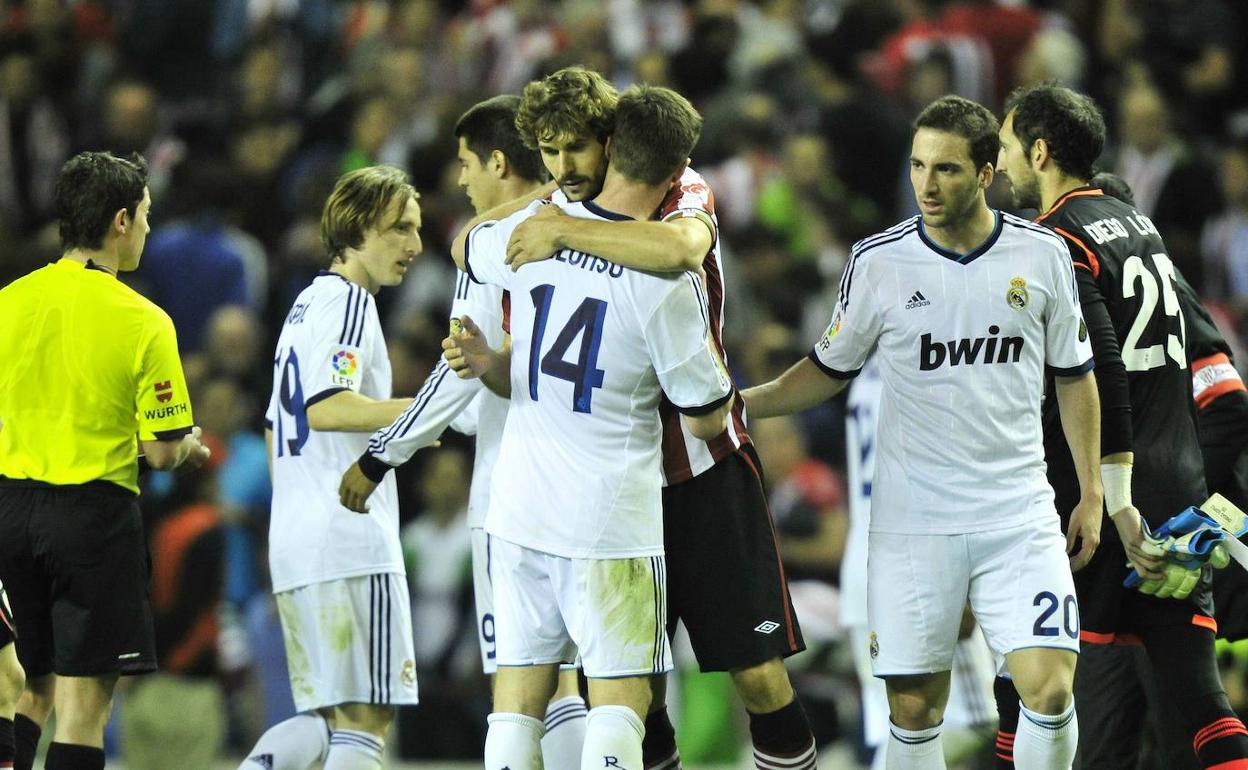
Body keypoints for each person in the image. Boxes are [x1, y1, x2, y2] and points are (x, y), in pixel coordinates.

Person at [453, 64, 819, 770]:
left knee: (756, 673)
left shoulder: (678, 194)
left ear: (614, 140)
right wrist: (546, 216)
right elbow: (466, 245)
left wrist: (563, 232)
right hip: (617, 485)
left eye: (577, 151)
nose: (566, 169)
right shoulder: (556, 207)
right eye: (552, 155)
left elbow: (681, 249)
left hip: (698, 472)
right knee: (631, 689)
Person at [740, 94, 1104, 770]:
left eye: (947, 170)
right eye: (917, 167)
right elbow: (826, 369)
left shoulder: (1046, 254)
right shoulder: (879, 262)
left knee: (1050, 691)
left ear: (989, 172)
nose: (926, 186)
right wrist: (741, 403)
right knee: (912, 710)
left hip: (1016, 513)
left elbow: (1075, 375)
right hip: (913, 523)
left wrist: (1092, 491)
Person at [992, 83, 1248, 770]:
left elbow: (1098, 368)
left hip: (1100, 497)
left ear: (1040, 152)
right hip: (1176, 490)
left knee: (1021, 681)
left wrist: (1111, 493)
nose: (1002, 162)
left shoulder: (1052, 241)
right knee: (1199, 702)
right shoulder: (1140, 226)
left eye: (1009, 146)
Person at [337, 95, 590, 766]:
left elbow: (458, 374)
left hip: (513, 489)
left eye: (465, 163)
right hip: (592, 481)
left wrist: (379, 457)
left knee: (516, 683)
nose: (460, 180)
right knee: (574, 680)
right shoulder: (597, 227)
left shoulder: (486, 244)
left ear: (498, 162)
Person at [0, 151, 210, 770]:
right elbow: (164, 450)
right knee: (84, 711)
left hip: (9, 512)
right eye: (145, 215)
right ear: (121, 221)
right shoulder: (144, 322)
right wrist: (190, 448)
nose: (147, 227)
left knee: (30, 686)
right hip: (92, 518)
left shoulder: (10, 301)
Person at [237, 166, 423, 770]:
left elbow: (274, 427)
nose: (414, 246)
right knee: (368, 719)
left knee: (325, 719)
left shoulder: (303, 306)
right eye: (401, 229)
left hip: (297, 539)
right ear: (361, 228)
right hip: (348, 541)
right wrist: (429, 412)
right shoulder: (349, 302)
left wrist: (297, 506)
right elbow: (327, 408)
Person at [843, 356, 997, 770]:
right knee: (983, 720)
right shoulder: (926, 363)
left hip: (861, 568)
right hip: (918, 568)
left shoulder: (863, 375)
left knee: (896, 729)